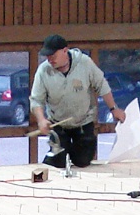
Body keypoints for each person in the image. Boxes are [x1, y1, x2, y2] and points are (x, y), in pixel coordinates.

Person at [29, 34, 126, 168]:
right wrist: (41, 120)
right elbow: (36, 100)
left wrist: (113, 108)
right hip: (58, 123)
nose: (49, 59)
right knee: (57, 162)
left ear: (64, 50)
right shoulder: (43, 71)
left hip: (83, 123)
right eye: (47, 56)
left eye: (53, 55)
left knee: (83, 161)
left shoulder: (85, 63)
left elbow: (101, 85)